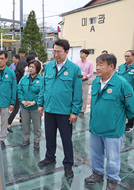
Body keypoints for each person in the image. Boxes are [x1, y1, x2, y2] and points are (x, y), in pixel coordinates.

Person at [84, 54, 134, 190]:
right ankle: (97, 173)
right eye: (97, 64)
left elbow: (132, 109)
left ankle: (112, 179)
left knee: (113, 158)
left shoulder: (122, 84)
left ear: (111, 66)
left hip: (112, 130)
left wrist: (117, 121)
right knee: (96, 153)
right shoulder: (96, 82)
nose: (97, 67)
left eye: (101, 64)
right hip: (96, 127)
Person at [37, 39, 82, 178]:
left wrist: (75, 111)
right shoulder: (49, 66)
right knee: (49, 137)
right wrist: (40, 103)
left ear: (66, 52)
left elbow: (78, 92)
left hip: (64, 112)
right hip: (49, 110)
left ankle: (68, 164)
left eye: (59, 52)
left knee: (66, 139)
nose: (56, 54)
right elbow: (43, 87)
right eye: (54, 51)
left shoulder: (74, 69)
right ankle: (50, 157)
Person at [17, 60, 42, 150]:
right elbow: (19, 90)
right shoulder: (24, 78)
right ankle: (26, 140)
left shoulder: (41, 80)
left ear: (38, 69)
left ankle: (36, 142)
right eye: (29, 67)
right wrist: (22, 100)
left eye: (33, 67)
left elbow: (42, 93)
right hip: (24, 107)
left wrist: (34, 102)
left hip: (35, 107)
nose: (30, 69)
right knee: (25, 125)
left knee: (37, 126)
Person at [117, 50, 134, 132]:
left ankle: (130, 125)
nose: (126, 58)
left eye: (128, 56)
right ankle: (120, 122)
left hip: (131, 92)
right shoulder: (121, 66)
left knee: (130, 108)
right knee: (119, 107)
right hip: (120, 91)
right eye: (125, 56)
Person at [7, 59, 27, 132]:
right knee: (16, 109)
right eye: (25, 66)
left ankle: (22, 120)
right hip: (17, 93)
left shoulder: (18, 73)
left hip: (18, 92)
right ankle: (8, 124)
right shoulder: (18, 74)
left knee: (20, 107)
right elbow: (17, 84)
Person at [76, 49, 94, 117]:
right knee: (77, 95)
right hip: (77, 80)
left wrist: (85, 77)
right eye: (80, 53)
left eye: (82, 53)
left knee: (84, 96)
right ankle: (76, 109)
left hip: (85, 81)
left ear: (86, 55)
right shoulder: (77, 62)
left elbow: (91, 73)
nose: (81, 54)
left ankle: (82, 110)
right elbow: (75, 71)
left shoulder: (90, 63)